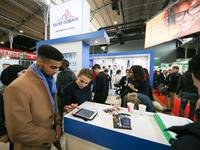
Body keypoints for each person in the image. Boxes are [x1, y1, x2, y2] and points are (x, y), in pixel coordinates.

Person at [3, 45, 63, 150]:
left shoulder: (49, 81)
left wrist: (57, 124)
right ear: (40, 62)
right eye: (53, 67)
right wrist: (52, 135)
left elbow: (53, 107)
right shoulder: (17, 87)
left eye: (58, 68)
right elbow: (19, 132)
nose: (56, 72)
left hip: (47, 142)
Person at [167, 53, 200, 150]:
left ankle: (181, 119)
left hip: (185, 93)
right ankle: (190, 119)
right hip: (193, 95)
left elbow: (179, 85)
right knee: (193, 108)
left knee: (182, 107)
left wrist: (178, 93)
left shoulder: (183, 75)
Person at [0, 65, 26, 150]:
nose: (26, 74)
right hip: (13, 133)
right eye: (23, 72)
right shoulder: (4, 94)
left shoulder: (24, 89)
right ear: (14, 76)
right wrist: (3, 133)